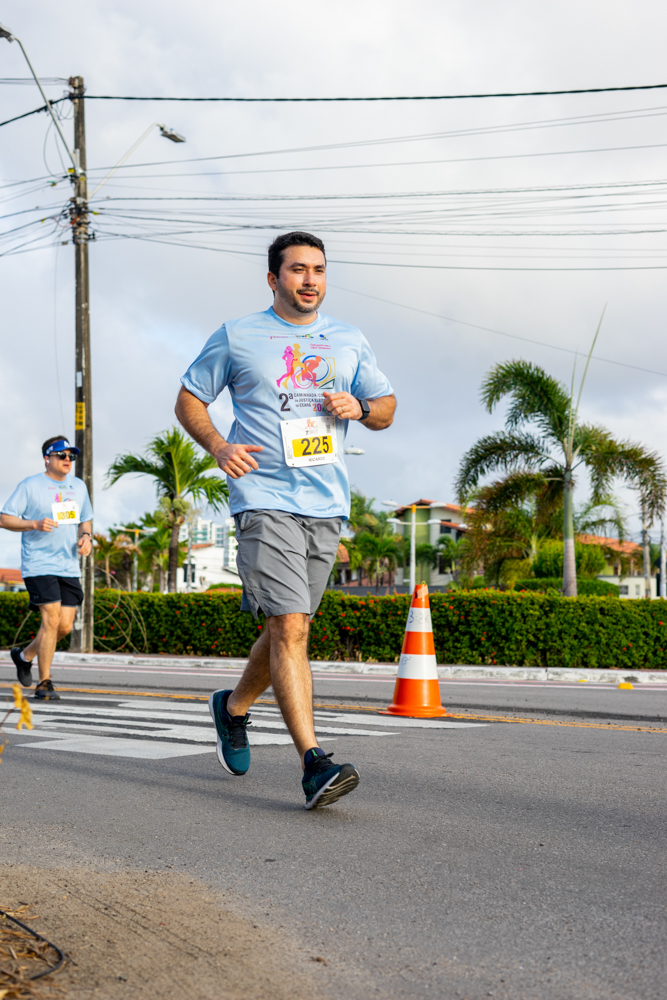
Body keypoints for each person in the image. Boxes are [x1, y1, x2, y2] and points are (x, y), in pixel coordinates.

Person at [175, 231, 395, 809]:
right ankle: (313, 763)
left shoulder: (348, 341)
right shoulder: (239, 335)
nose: (309, 280)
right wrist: (221, 447)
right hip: (262, 496)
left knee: (283, 628)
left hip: (325, 503)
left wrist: (363, 408)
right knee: (292, 627)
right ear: (273, 278)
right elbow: (189, 399)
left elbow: (387, 408)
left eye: (318, 270)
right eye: (297, 269)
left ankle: (233, 707)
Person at [0, 436, 93, 700]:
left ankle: (24, 655)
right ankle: (45, 683)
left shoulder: (78, 486)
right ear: (47, 458)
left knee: (63, 626)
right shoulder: (30, 485)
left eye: (70, 456)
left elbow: (85, 521)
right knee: (50, 620)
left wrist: (87, 538)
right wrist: (34, 524)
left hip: (68, 565)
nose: (67, 460)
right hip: (38, 563)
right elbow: (4, 518)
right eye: (61, 455)